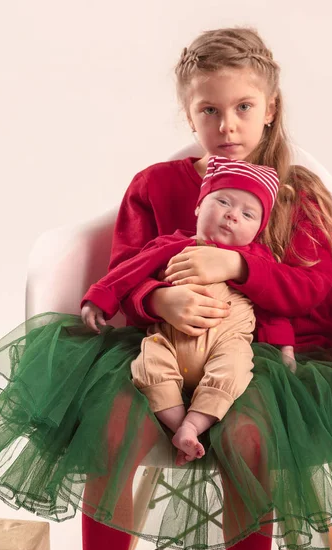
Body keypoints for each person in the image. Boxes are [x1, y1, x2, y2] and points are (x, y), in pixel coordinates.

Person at [0, 27, 332, 550]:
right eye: (209, 109)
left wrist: (238, 268)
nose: (226, 125)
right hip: (157, 345)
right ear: (189, 115)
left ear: (270, 109)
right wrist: (157, 297)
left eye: (243, 107)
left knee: (250, 438)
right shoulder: (155, 185)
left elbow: (312, 290)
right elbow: (124, 268)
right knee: (111, 428)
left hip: (255, 358)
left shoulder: (296, 193)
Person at [81, 156, 296, 465]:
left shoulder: (255, 262)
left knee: (235, 368)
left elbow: (272, 308)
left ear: (258, 230)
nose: (232, 216)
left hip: (226, 343)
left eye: (247, 214)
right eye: (222, 201)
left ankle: (193, 425)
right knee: (150, 363)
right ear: (198, 206)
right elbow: (129, 271)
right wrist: (99, 298)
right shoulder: (172, 244)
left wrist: (284, 346)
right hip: (169, 339)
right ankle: (178, 423)